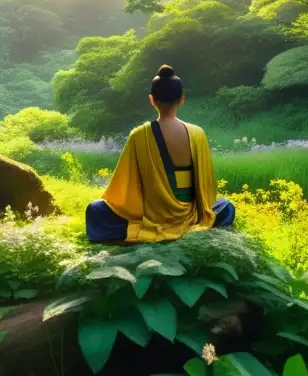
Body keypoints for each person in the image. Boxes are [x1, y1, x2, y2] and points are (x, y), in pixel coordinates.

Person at [85, 64, 235, 243]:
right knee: (225, 206)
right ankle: (187, 228)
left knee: (95, 210)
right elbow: (207, 189)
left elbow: (123, 189)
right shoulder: (198, 133)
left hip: (152, 218)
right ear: (181, 99)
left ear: (152, 99)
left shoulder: (140, 135)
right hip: (191, 215)